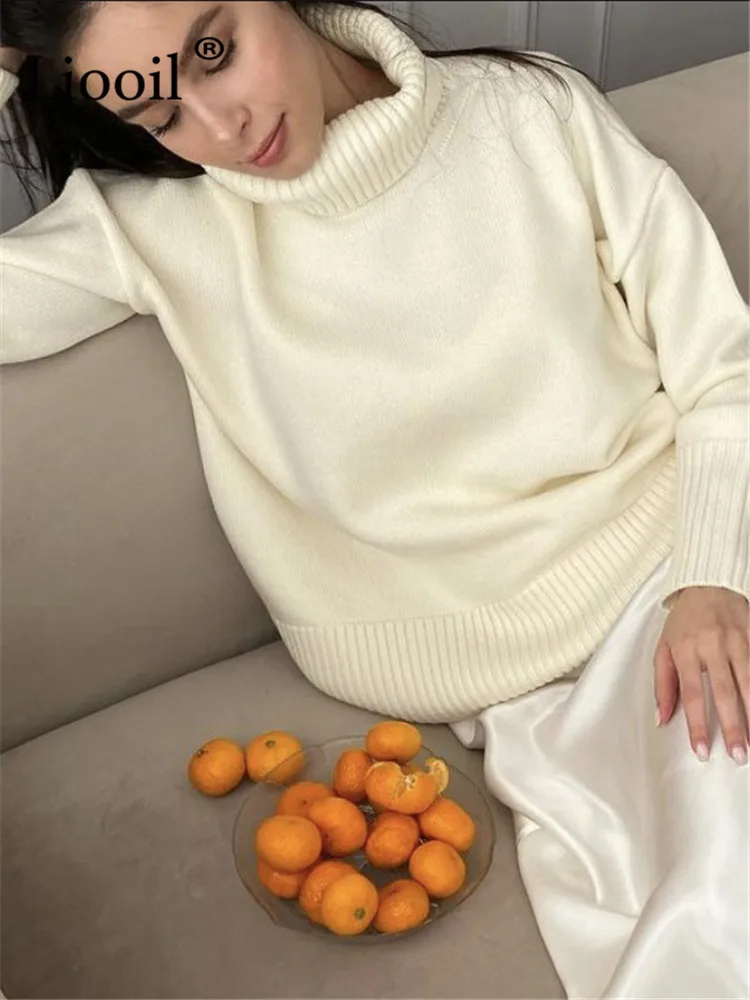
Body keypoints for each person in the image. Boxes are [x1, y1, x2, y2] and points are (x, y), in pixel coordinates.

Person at [1, 2, 747, 996]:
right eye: (158, 111)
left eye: (215, 51)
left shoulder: (532, 108)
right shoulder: (152, 226)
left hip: (685, 566)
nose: (221, 125)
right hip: (534, 674)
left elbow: (724, 365)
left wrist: (711, 574)